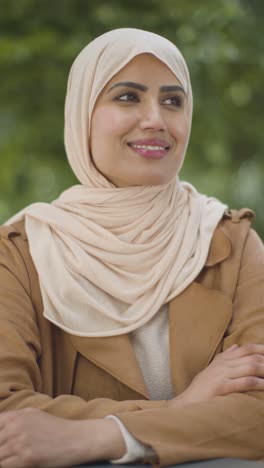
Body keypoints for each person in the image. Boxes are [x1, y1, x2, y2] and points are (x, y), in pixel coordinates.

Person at [0, 28, 263, 468]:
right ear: (83, 114)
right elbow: (9, 416)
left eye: (173, 100)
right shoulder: (23, 253)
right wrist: (181, 410)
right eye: (127, 97)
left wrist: (107, 435)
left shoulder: (230, 243)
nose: (156, 118)